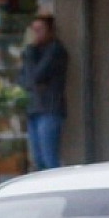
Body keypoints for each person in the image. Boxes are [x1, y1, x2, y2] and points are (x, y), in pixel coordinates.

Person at [18, 14, 69, 171]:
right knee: (37, 159)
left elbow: (36, 75)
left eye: (40, 30)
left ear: (50, 31)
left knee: (49, 158)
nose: (35, 34)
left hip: (50, 109)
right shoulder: (32, 52)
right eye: (33, 30)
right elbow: (21, 79)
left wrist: (30, 50)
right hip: (33, 108)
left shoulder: (56, 50)